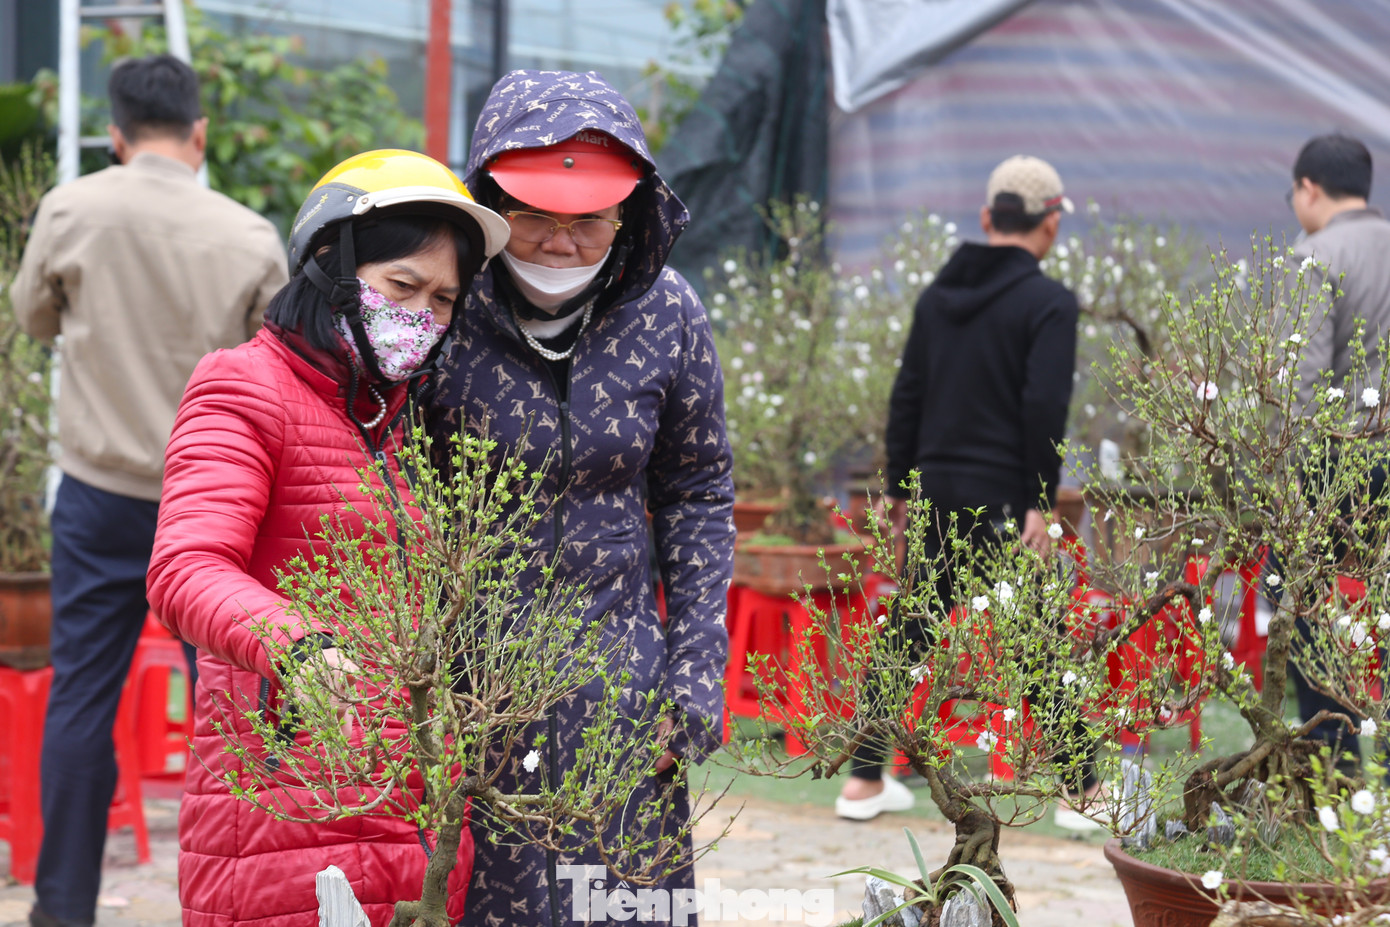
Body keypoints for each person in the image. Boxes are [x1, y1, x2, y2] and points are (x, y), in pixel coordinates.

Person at [144, 150, 510, 927]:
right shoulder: (243, 384)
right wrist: (298, 645)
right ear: (328, 263)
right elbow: (185, 565)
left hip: (411, 800)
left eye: (444, 299)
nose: (423, 315)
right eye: (402, 286)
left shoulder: (405, 414)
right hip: (287, 796)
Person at [428, 70, 735, 926]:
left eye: (589, 218)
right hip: (477, 685)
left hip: (623, 677)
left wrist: (695, 670)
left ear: (628, 215)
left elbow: (698, 488)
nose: (562, 242)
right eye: (533, 216)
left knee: (625, 900)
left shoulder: (667, 312)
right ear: (489, 203)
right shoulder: (444, 309)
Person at [9, 54, 287, 927]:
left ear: (117, 136)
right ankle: (244, 900)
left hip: (98, 492)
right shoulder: (249, 236)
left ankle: (61, 909)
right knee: (236, 702)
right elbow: (273, 368)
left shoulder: (72, 207)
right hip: (216, 499)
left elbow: (33, 318)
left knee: (84, 695)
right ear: (200, 134)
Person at [837, 155, 1089, 825]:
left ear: (987, 218)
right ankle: (1083, 788)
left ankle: (861, 781)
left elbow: (907, 397)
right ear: (1052, 223)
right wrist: (1040, 496)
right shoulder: (1050, 304)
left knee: (911, 627)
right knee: (1037, 634)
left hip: (940, 491)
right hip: (1006, 497)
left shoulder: (937, 297)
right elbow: (1043, 407)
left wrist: (897, 492)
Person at [1282, 133, 1390, 768]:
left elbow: (1304, 380)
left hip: (1337, 457)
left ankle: (1330, 751)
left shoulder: (1316, 255)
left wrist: (1286, 477)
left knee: (1302, 597)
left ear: (1308, 188)